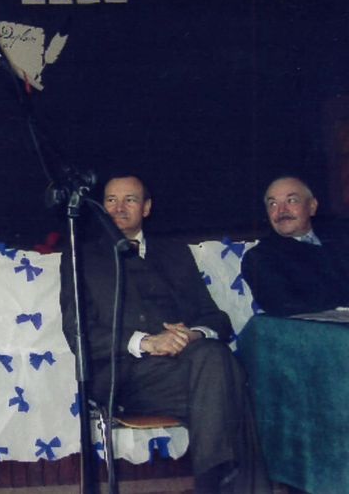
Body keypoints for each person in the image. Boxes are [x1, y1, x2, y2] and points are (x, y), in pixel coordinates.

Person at [64, 175, 269, 494]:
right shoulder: (81, 257)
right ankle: (218, 484)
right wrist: (146, 342)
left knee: (215, 367)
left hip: (188, 369)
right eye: (111, 200)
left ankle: (213, 483)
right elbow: (77, 332)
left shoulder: (174, 252)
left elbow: (216, 318)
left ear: (146, 208)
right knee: (230, 383)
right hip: (124, 376)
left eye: (130, 200)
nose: (119, 208)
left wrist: (192, 334)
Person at [241, 176, 349, 316]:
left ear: (312, 206)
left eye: (291, 201)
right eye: (273, 204)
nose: (281, 211)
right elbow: (284, 304)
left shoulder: (341, 237)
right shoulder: (260, 258)